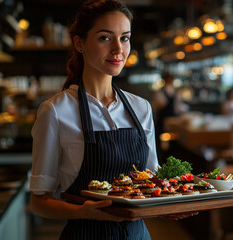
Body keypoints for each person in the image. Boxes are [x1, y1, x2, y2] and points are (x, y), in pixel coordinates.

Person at [29, 1, 194, 239]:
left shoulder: (141, 108)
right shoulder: (55, 111)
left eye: (125, 38)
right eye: (105, 38)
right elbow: (39, 202)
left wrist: (170, 207)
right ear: (79, 43)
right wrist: (84, 212)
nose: (118, 49)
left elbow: (151, 183)